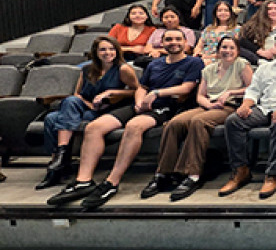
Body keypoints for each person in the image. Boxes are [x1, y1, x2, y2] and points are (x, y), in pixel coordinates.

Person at [47, 29, 203, 209]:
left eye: (177, 39)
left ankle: (111, 182)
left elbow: (186, 88)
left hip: (167, 107)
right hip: (143, 105)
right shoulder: (154, 64)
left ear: (185, 42)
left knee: (134, 126)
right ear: (162, 42)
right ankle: (83, 181)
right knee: (94, 127)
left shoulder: (193, 62)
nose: (173, 42)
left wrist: (156, 93)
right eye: (168, 39)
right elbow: (141, 87)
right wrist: (139, 103)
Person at [141, 35, 252, 201]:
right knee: (174, 123)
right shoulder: (208, 69)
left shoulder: (241, 65)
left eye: (231, 48)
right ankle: (163, 173)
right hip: (207, 105)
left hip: (229, 106)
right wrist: (207, 104)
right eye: (224, 47)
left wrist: (230, 92)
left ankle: (192, 174)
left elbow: (252, 88)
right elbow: (200, 95)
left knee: (198, 122)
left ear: (237, 51)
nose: (227, 51)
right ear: (218, 50)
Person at [36, 36, 140, 190]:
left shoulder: (123, 69)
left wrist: (111, 92)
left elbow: (136, 90)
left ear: (117, 51)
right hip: (84, 107)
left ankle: (58, 163)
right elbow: (77, 94)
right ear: (96, 52)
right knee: (57, 113)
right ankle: (59, 161)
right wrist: (89, 104)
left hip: (104, 110)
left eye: (111, 49)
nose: (107, 52)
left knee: (54, 118)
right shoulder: (87, 70)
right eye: (103, 49)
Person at [219, 31, 276, 199]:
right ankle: (240, 171)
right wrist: (246, 105)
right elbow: (253, 90)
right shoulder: (264, 68)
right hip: (264, 108)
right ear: (275, 47)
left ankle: (272, 174)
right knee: (233, 121)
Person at [237, 0, 276, 64]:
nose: (273, 11)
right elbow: (242, 40)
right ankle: (259, 62)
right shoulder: (254, 26)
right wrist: (260, 51)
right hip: (258, 58)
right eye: (270, 9)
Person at [196, 1, 241, 65]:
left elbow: (234, 50)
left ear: (230, 13)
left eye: (226, 10)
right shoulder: (208, 28)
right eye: (219, 10)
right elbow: (199, 46)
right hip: (204, 56)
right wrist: (197, 53)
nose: (223, 13)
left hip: (222, 58)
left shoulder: (237, 29)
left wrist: (210, 56)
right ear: (215, 13)